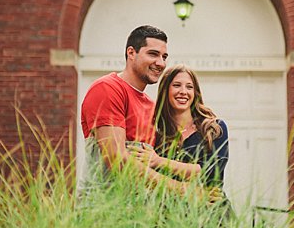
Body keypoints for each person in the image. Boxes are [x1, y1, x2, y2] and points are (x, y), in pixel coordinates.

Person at [79, 25, 187, 192]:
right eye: (153, 54)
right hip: (102, 209)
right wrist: (181, 189)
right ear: (131, 53)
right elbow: (117, 159)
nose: (161, 63)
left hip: (140, 211)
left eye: (164, 57)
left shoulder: (152, 106)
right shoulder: (108, 88)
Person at [130, 64, 230, 193]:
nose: (183, 91)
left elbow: (210, 172)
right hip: (170, 212)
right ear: (165, 91)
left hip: (212, 210)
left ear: (195, 93)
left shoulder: (214, 129)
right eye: (177, 85)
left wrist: (158, 161)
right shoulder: (157, 135)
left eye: (189, 87)